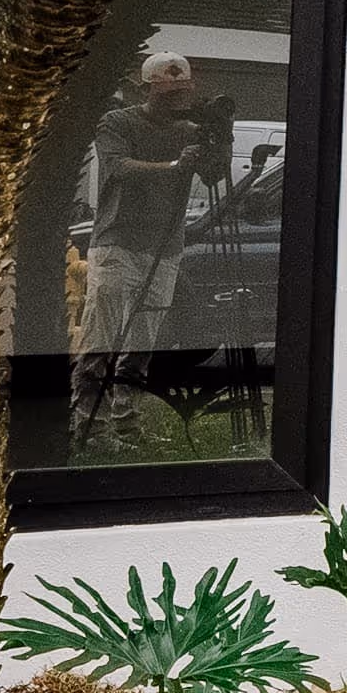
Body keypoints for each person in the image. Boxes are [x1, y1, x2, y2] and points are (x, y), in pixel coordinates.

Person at [73, 51, 223, 441]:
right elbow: (119, 167)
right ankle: (89, 425)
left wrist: (221, 134)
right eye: (168, 89)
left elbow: (212, 175)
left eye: (182, 89)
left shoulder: (191, 130)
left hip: (166, 245)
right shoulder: (116, 123)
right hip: (117, 242)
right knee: (102, 336)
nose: (177, 96)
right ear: (147, 89)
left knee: (142, 341)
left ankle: (128, 425)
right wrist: (175, 165)